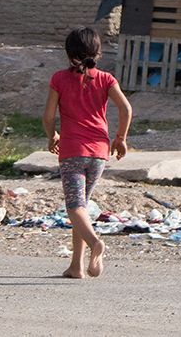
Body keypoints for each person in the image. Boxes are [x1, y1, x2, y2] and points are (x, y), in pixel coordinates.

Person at [42, 26, 131, 279]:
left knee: (74, 207)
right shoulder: (106, 79)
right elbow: (125, 109)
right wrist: (120, 139)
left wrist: (52, 136)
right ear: (98, 53)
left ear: (69, 53)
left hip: (73, 151)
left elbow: (48, 116)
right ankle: (76, 266)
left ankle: (96, 244)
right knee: (81, 207)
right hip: (99, 153)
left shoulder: (59, 79)